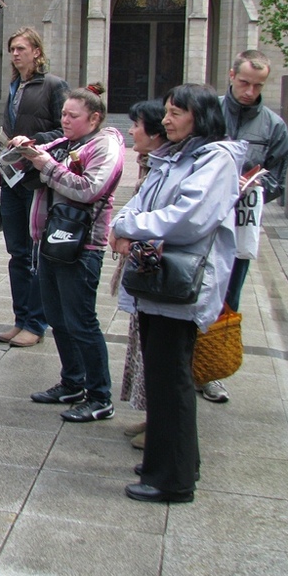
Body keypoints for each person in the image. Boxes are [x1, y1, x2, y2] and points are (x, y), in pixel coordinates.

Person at [110, 84, 244, 503]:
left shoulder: (216, 159)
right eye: (166, 112)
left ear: (199, 117)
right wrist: (125, 222)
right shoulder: (173, 155)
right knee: (161, 377)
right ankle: (170, 461)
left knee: (172, 381)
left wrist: (128, 228)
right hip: (157, 282)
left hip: (181, 284)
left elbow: (188, 218)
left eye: (175, 113)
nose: (165, 120)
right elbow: (140, 201)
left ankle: (173, 480)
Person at [13, 85, 124, 422]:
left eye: (72, 116)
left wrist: (46, 166)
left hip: (81, 245)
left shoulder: (104, 146)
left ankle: (100, 396)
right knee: (58, 318)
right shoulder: (66, 143)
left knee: (81, 322)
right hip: (51, 241)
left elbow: (89, 189)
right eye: (63, 114)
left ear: (94, 118)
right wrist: (23, 149)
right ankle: (73, 382)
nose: (64, 120)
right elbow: (37, 158)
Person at [0, 27, 68, 347]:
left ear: (37, 52)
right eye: (12, 48)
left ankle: (36, 324)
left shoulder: (53, 86)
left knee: (35, 254)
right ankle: (21, 318)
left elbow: (66, 132)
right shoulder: (13, 87)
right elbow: (10, 133)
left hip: (37, 180)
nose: (15, 54)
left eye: (21, 48)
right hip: (11, 179)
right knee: (17, 253)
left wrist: (35, 141)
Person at [209, 50, 288, 403]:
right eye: (244, 83)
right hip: (204, 219)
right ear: (231, 75)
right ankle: (188, 360)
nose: (250, 92)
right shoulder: (210, 111)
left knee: (229, 296)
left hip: (240, 223)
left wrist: (254, 188)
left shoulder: (273, 126)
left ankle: (212, 369)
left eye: (258, 86)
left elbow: (277, 177)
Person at [111, 99, 167, 449]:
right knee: (141, 343)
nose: (131, 131)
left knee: (158, 352)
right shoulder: (151, 162)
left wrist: (127, 231)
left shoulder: (168, 166)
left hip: (157, 267)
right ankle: (152, 415)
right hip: (141, 261)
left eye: (137, 125)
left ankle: (162, 422)